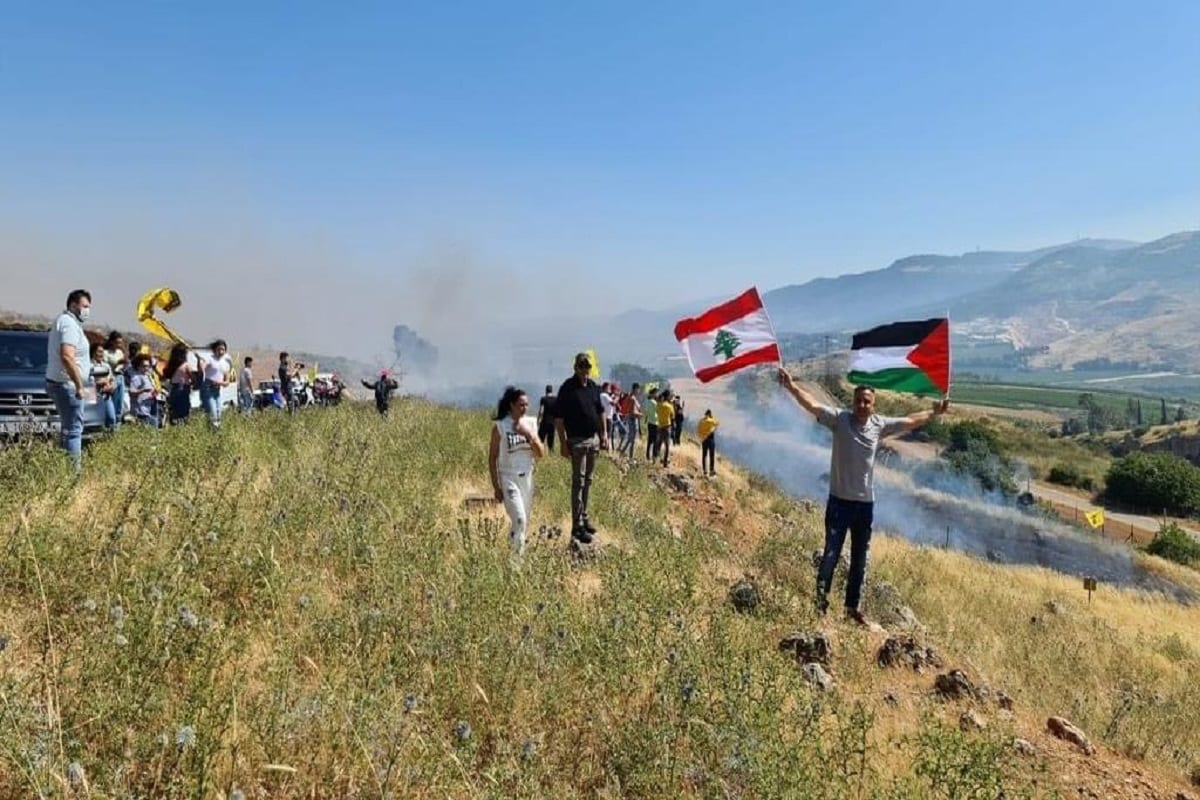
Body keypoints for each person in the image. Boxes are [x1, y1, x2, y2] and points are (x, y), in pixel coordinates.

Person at [778, 369, 949, 624]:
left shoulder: (880, 426)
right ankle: (819, 605)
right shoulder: (839, 420)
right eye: (858, 400)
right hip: (839, 502)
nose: (861, 405)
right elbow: (812, 405)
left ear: (873, 404)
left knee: (860, 559)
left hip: (865, 505)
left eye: (866, 401)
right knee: (830, 555)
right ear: (852, 402)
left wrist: (935, 412)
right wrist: (791, 387)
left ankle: (851, 608)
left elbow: (911, 421)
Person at [553, 352, 607, 544]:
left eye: (587, 367)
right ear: (575, 367)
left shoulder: (593, 387)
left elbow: (600, 412)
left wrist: (604, 435)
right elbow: (559, 418)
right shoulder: (567, 388)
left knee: (588, 480)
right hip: (576, 441)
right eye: (581, 367)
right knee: (579, 481)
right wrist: (562, 442)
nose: (585, 371)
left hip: (592, 439)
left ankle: (584, 517)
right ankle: (576, 525)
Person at [489, 386, 545, 563]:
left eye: (527, 405)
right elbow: (492, 458)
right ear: (512, 405)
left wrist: (528, 434)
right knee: (519, 518)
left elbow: (540, 453)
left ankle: (514, 553)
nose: (524, 408)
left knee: (523, 523)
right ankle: (516, 565)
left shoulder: (530, 424)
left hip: (527, 477)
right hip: (509, 477)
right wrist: (496, 486)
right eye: (521, 404)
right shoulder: (500, 427)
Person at [45, 289, 92, 468]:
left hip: (65, 383)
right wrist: (79, 385)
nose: (87, 310)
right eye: (85, 306)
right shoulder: (69, 324)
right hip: (68, 385)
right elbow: (67, 356)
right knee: (74, 432)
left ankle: (64, 470)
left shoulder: (69, 323)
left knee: (68, 431)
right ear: (73, 305)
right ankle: (73, 477)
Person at [163, 343, 200, 425]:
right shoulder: (186, 365)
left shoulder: (171, 365)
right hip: (183, 389)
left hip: (173, 390)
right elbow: (194, 379)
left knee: (174, 412)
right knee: (183, 412)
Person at [200, 339, 232, 427]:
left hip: (217, 389)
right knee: (213, 411)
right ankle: (212, 430)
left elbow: (227, 382)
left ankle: (214, 432)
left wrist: (220, 383)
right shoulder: (210, 358)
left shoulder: (226, 364)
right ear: (215, 349)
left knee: (218, 412)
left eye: (223, 349)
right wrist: (202, 366)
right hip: (207, 388)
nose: (221, 351)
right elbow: (203, 365)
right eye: (219, 349)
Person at [89, 344, 117, 429]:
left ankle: (110, 439)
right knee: (94, 420)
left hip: (106, 396)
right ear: (93, 352)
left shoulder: (106, 366)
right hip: (93, 396)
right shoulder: (89, 365)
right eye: (99, 352)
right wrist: (100, 382)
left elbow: (112, 379)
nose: (101, 354)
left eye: (102, 352)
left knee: (111, 418)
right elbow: (88, 381)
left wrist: (111, 386)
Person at [127, 353, 159, 426]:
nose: (146, 368)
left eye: (148, 366)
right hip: (140, 411)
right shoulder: (136, 377)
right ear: (138, 366)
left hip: (150, 408)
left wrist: (154, 393)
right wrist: (142, 390)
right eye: (144, 366)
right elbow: (131, 392)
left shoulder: (148, 376)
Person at [103, 331, 127, 427]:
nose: (119, 345)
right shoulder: (106, 353)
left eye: (120, 342)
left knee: (119, 402)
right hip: (112, 377)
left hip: (120, 376)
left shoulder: (120, 352)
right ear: (112, 342)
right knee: (112, 401)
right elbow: (106, 369)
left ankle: (118, 423)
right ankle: (110, 424)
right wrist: (117, 363)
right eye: (117, 342)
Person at [618, 383, 642, 462]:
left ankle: (623, 452)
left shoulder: (631, 397)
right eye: (638, 389)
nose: (639, 391)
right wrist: (641, 414)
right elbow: (632, 412)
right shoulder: (632, 399)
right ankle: (630, 457)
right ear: (635, 389)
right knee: (633, 440)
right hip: (632, 419)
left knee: (630, 439)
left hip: (630, 419)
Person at [655, 389, 676, 467]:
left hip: (660, 426)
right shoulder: (670, 406)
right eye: (670, 396)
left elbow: (657, 412)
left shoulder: (659, 405)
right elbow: (672, 417)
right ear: (667, 396)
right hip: (667, 427)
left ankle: (657, 459)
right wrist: (673, 429)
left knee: (659, 443)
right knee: (667, 446)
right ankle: (665, 462)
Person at [698, 408, 719, 477]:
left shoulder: (701, 421)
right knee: (711, 455)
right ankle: (711, 470)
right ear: (710, 414)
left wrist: (701, 437)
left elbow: (698, 430)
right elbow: (717, 423)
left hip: (704, 439)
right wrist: (712, 418)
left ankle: (705, 471)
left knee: (704, 455)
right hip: (710, 440)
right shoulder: (711, 420)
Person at [536, 385, 556, 450]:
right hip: (552, 423)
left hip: (544, 422)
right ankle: (551, 455)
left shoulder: (543, 399)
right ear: (551, 390)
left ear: (546, 391)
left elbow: (541, 411)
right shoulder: (555, 399)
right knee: (550, 442)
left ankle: (540, 455)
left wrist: (538, 420)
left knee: (540, 440)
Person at [644, 389, 658, 461]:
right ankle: (654, 456)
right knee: (655, 440)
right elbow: (658, 411)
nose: (656, 395)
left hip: (649, 422)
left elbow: (646, 411)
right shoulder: (654, 403)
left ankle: (647, 455)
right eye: (655, 393)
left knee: (650, 440)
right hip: (655, 422)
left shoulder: (647, 402)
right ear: (653, 394)